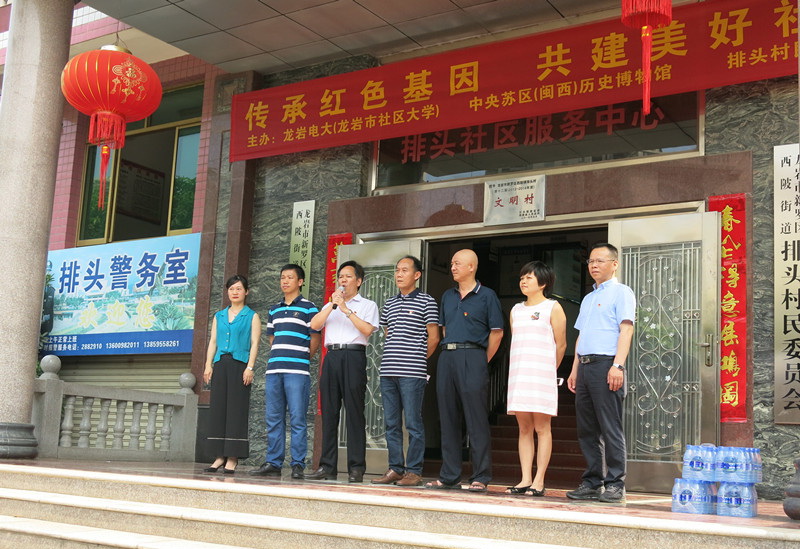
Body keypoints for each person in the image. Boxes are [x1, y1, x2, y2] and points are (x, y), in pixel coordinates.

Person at [425, 249, 503, 493]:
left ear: (472, 267)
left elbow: (497, 333)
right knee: (447, 416)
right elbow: (444, 329)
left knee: (476, 418)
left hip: (473, 355)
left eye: (457, 263)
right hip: (447, 356)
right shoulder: (447, 296)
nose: (453, 267)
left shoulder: (487, 295)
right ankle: (450, 475)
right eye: (451, 263)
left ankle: (480, 475)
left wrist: (481, 359)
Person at [566, 243, 635, 503]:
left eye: (600, 261)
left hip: (607, 365)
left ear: (614, 264)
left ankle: (615, 484)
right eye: (591, 261)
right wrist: (574, 369)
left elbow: (626, 329)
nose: (594, 265)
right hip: (584, 367)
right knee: (587, 429)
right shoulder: (588, 298)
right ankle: (592, 482)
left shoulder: (622, 292)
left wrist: (618, 365)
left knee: (610, 427)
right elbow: (581, 335)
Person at [306, 260, 379, 483]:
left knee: (354, 413)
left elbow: (367, 330)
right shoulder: (331, 305)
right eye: (340, 277)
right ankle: (327, 466)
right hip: (332, 357)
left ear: (359, 281)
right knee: (329, 412)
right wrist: (333, 305)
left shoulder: (368, 305)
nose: (343, 280)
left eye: (348, 276)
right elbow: (314, 325)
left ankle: (356, 468)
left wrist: (346, 310)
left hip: (353, 356)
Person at [372, 256, 440, 487]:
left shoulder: (427, 301)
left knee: (413, 423)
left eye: (404, 270)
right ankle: (395, 468)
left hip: (412, 372)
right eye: (397, 270)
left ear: (417, 275)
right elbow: (388, 332)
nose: (399, 274)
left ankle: (414, 471)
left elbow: (434, 337)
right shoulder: (390, 303)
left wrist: (417, 359)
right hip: (388, 370)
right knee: (391, 423)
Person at [250, 264, 320, 480]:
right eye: (282, 277)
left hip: (297, 371)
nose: (285, 281)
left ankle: (298, 464)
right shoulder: (274, 309)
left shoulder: (309, 308)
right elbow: (272, 338)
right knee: (273, 418)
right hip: (274, 370)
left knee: (298, 418)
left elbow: (315, 339)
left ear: (300, 282)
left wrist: (301, 358)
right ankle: (274, 462)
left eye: (290, 277)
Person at [504, 261, 567, 497]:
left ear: (543, 283)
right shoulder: (515, 310)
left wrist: (549, 370)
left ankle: (539, 480)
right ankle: (525, 479)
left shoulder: (553, 307)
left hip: (541, 377)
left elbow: (561, 344)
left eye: (529, 277)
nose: (523, 281)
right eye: (522, 277)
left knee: (542, 427)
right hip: (519, 375)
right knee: (524, 428)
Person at [203, 274, 261, 474]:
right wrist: (208, 365)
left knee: (237, 410)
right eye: (231, 289)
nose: (235, 292)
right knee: (219, 409)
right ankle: (219, 456)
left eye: (238, 288)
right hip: (220, 364)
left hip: (240, 366)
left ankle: (233, 457)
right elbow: (213, 342)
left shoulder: (252, 316)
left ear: (246, 291)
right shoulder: (219, 316)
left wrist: (250, 367)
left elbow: (255, 343)